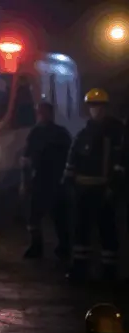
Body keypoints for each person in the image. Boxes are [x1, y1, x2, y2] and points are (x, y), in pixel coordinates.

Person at [64, 88, 124, 282]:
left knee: (107, 229)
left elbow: (120, 162)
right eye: (92, 105)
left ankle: (109, 271)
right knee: (81, 229)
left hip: (103, 189)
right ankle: (80, 268)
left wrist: (113, 187)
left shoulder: (116, 133)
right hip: (83, 189)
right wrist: (68, 182)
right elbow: (72, 159)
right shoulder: (83, 133)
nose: (95, 109)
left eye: (98, 105)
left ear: (105, 108)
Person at [20, 102, 72, 259]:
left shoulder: (60, 134)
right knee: (34, 216)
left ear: (50, 114)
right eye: (39, 112)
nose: (41, 115)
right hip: (40, 179)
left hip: (55, 180)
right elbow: (26, 157)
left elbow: (69, 156)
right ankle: (37, 246)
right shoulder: (35, 133)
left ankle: (64, 246)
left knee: (59, 215)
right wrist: (25, 181)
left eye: (43, 112)